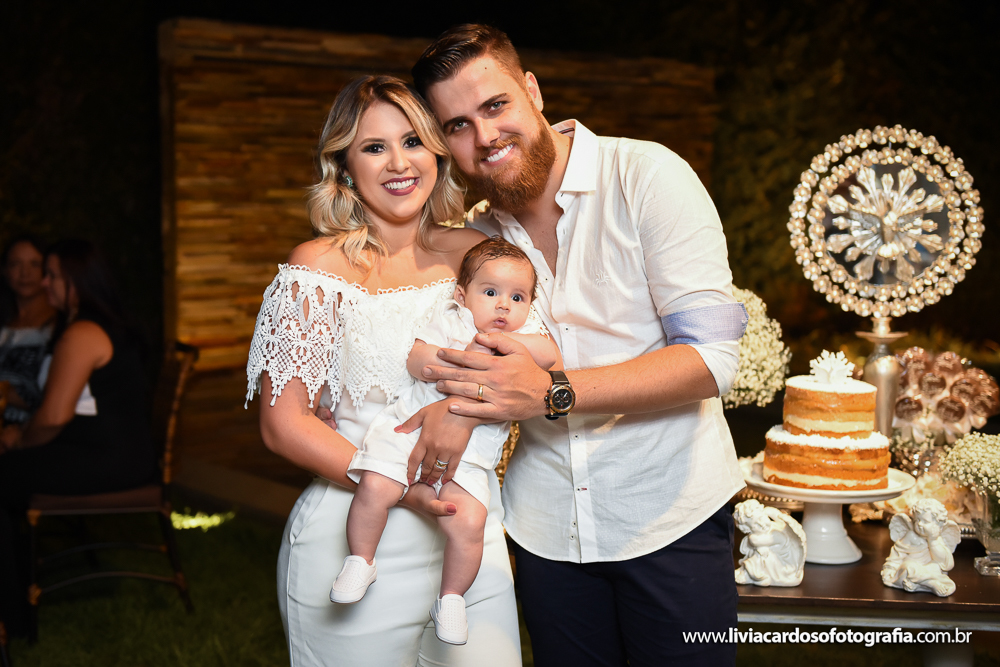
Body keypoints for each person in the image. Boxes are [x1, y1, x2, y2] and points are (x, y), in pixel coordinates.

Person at [406, 25, 749, 665]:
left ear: (532, 91)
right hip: (545, 532)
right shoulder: (474, 239)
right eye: (457, 126)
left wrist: (553, 393)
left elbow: (711, 359)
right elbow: (452, 351)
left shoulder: (647, 176)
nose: (485, 136)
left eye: (496, 105)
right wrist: (453, 406)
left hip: (670, 515)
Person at [245, 75, 521, 665]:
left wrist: (467, 407)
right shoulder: (315, 268)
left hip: (469, 537)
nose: (399, 162)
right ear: (344, 166)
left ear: (437, 153)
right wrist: (398, 487)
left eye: (413, 141)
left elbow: (525, 371)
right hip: (351, 536)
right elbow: (284, 424)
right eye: (374, 147)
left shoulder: (481, 258)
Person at [335, 236, 560, 645]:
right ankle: (361, 559)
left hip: (470, 456)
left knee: (469, 521)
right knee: (375, 485)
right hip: (410, 432)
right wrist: (450, 364)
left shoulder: (525, 335)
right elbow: (416, 359)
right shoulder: (452, 319)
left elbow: (548, 354)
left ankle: (451, 598)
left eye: (517, 297)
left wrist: (499, 345)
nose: (504, 306)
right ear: (462, 295)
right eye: (490, 293)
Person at [0, 238, 155, 638]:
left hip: (109, 458)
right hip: (113, 452)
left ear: (77, 280)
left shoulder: (83, 332)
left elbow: (53, 417)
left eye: (52, 275)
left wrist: (17, 440)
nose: (43, 282)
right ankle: (15, 601)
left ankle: (12, 615)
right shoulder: (83, 325)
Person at [0, 235, 57, 437]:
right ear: (5, 271)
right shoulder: (4, 323)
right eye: (16, 264)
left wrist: (6, 393)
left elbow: (57, 401)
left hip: (31, 437)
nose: (25, 273)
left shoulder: (59, 327)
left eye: (34, 264)